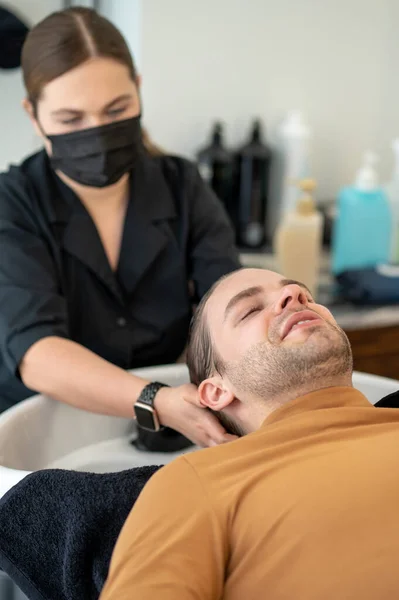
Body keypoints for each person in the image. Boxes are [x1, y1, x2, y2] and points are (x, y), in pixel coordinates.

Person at [0, 6, 240, 448]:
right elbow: (38, 354)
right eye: (71, 120)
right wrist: (157, 400)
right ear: (33, 116)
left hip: (164, 429)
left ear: (138, 90)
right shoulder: (13, 203)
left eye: (116, 110)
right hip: (39, 432)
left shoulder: (181, 185)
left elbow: (231, 305)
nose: (97, 132)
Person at [100, 267, 399, 600]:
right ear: (216, 391)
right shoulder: (197, 484)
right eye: (251, 310)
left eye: (306, 295)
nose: (295, 296)